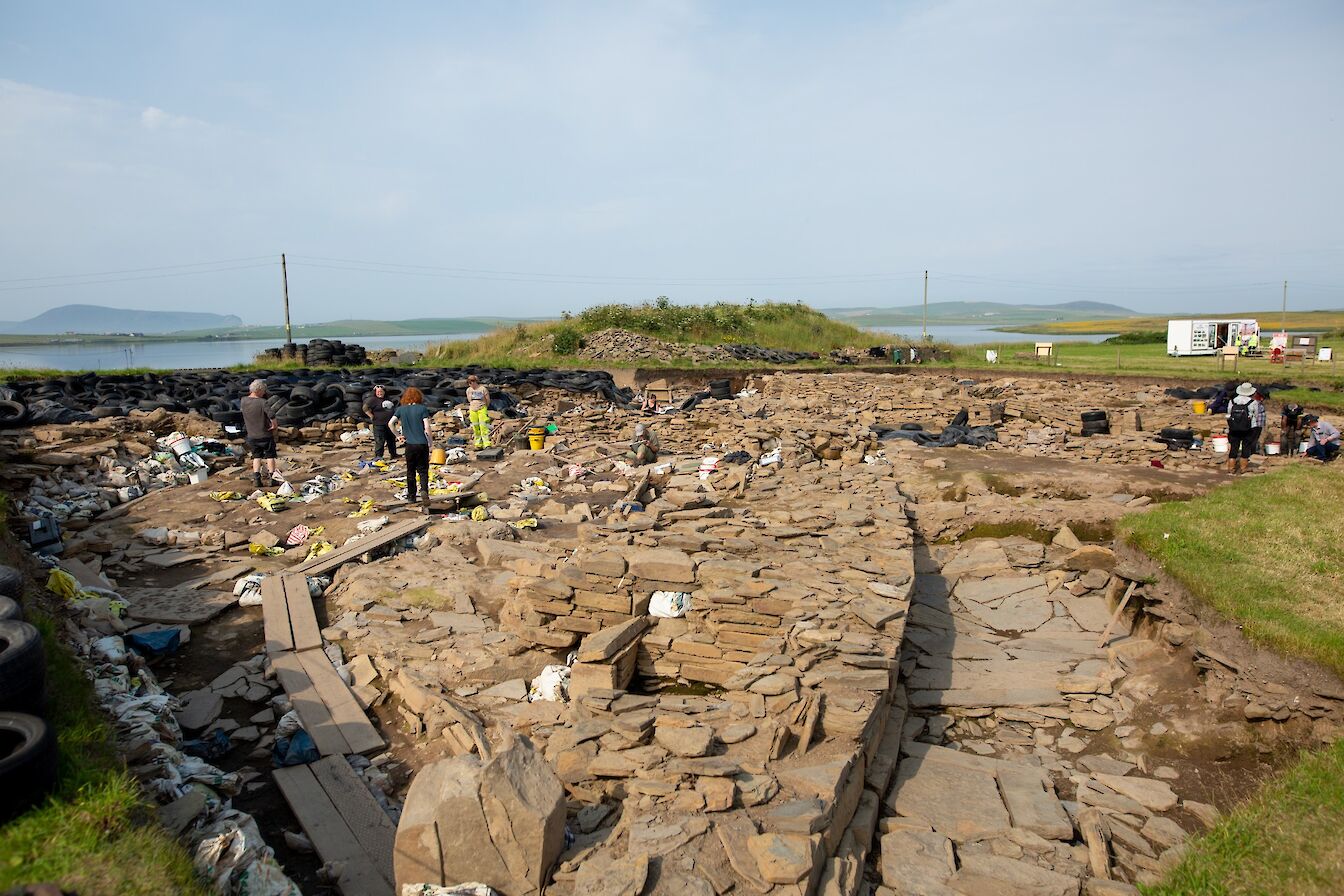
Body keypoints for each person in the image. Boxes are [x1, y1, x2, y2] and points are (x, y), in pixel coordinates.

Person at [392, 387, 433, 503]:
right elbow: (427, 427)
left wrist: (397, 435)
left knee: (410, 471)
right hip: (422, 443)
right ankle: (424, 490)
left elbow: (390, 423)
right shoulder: (422, 409)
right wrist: (430, 442)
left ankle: (411, 496)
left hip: (409, 444)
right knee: (423, 470)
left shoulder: (401, 409)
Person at [240, 379, 278, 491]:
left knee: (256, 457)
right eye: (263, 391)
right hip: (265, 434)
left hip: (252, 435)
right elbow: (271, 415)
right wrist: (274, 425)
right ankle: (272, 478)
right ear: (259, 390)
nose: (264, 393)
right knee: (270, 456)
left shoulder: (243, 401)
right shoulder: (263, 402)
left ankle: (257, 479)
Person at [1224, 382, 1264, 474]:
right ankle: (1243, 468)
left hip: (1234, 428)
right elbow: (1256, 415)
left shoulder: (1232, 401)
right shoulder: (1253, 402)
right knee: (1246, 447)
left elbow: (1229, 413)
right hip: (1249, 428)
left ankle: (1231, 468)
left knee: (1234, 447)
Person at [363, 384, 398, 461]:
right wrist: (371, 416)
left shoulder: (388, 399)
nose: (380, 393)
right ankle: (379, 456)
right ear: (375, 392)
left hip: (390, 424)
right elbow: (365, 408)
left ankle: (393, 454)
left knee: (391, 439)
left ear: (384, 392)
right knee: (379, 440)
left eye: (381, 392)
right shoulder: (373, 400)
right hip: (378, 424)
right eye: (378, 392)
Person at [465, 375, 491, 449]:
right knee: (475, 427)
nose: (471, 384)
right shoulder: (468, 390)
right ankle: (478, 444)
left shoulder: (483, 389)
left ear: (475, 382)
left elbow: (487, 399)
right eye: (469, 383)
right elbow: (469, 400)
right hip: (473, 409)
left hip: (482, 408)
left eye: (472, 382)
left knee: (483, 426)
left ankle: (486, 444)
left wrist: (484, 406)